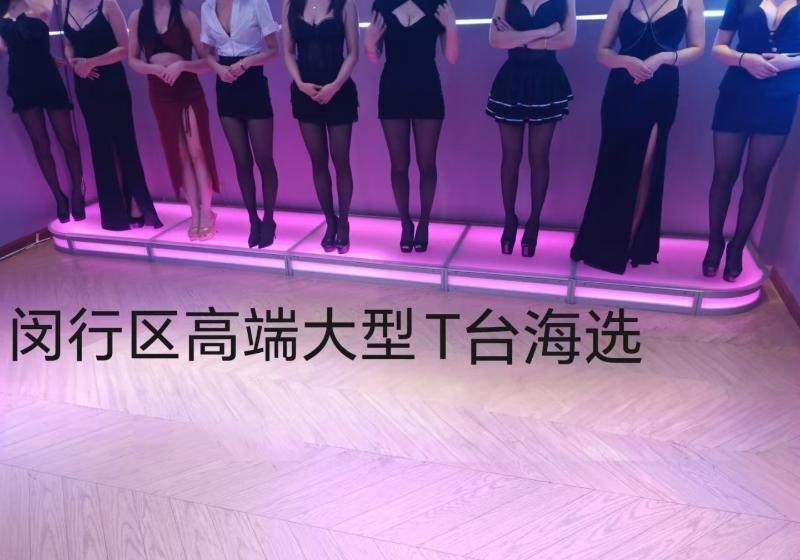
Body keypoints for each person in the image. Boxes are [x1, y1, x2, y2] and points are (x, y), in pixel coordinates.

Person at [570, 0, 704, 273]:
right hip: (622, 88)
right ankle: (598, 241)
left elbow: (697, 48)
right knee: (612, 165)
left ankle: (629, 242)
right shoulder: (622, 2)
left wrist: (663, 57)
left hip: (661, 87)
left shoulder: (691, 2)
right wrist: (625, 62)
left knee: (646, 166)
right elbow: (602, 52)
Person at [702, 0, 800, 281]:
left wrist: (791, 62)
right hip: (737, 92)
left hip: (781, 96)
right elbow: (718, 48)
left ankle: (737, 246)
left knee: (756, 179)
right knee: (723, 175)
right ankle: (714, 242)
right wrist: (745, 59)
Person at [364, 0, 458, 253]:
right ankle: (405, 223)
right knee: (398, 165)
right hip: (393, 89)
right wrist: (369, 43)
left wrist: (451, 27)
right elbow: (374, 56)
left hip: (427, 89)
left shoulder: (438, 3)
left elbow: (451, 57)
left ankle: (424, 224)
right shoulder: (382, 4)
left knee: (427, 163)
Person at [63, 0, 163, 231]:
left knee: (123, 142)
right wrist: (73, 63)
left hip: (111, 82)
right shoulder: (64, 5)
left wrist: (91, 62)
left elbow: (125, 48)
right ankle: (114, 212)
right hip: (85, 85)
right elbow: (68, 43)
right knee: (100, 147)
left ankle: (136, 204)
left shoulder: (108, 4)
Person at [487, 0, 576, 257]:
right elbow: (495, 40)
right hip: (512, 80)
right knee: (510, 157)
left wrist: (517, 38)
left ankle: (534, 221)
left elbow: (568, 39)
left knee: (539, 157)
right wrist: (545, 33)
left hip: (547, 80)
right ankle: (509, 219)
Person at [128, 0, 220, 241]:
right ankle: (194, 213)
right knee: (180, 154)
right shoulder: (138, 17)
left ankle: (207, 212)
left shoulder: (186, 16)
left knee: (197, 150)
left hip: (187, 88)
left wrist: (182, 65)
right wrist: (153, 70)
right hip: (160, 91)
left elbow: (208, 61)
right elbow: (133, 60)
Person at [202, 0, 280, 248]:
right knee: (241, 161)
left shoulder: (255, 3)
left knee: (263, 159)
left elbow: (273, 49)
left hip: (252, 81)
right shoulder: (207, 7)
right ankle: (253, 220)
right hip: (225, 85)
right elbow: (206, 52)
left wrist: (247, 62)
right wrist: (217, 68)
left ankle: (269, 220)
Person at [283, 0, 359, 254]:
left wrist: (335, 86)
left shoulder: (345, 4)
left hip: (339, 91)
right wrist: (299, 83)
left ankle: (344, 223)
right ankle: (330, 221)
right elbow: (288, 52)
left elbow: (353, 53)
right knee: (318, 161)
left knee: (340, 159)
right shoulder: (290, 4)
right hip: (305, 92)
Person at [0, 0, 85, 223]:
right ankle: (59, 197)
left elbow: (39, 38)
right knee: (40, 143)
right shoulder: (2, 14)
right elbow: (4, 49)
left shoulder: (40, 6)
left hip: (48, 79)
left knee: (68, 141)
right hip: (22, 83)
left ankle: (77, 192)